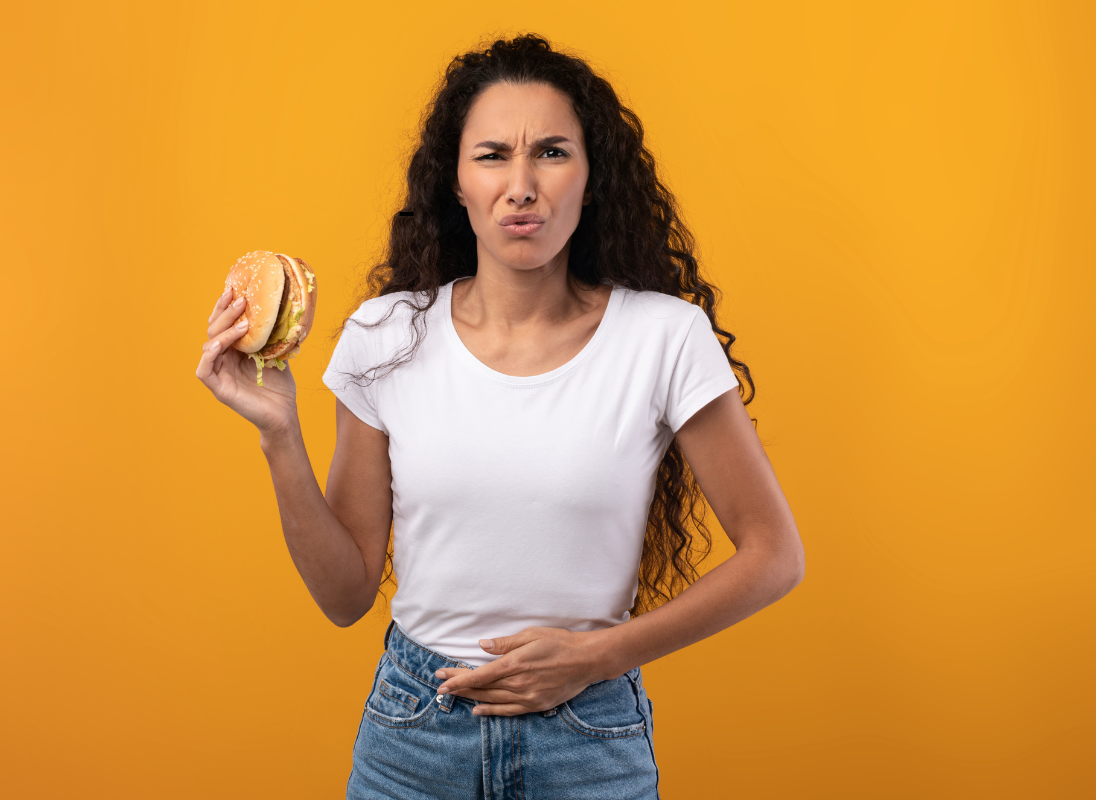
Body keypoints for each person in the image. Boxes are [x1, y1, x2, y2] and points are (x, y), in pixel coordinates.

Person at [196, 33, 804, 800]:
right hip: (412, 738)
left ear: (591, 177)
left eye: (551, 153)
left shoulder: (662, 337)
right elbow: (346, 595)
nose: (522, 186)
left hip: (589, 744)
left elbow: (775, 555)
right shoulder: (385, 335)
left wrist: (601, 656)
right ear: (455, 182)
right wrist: (280, 436)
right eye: (492, 156)